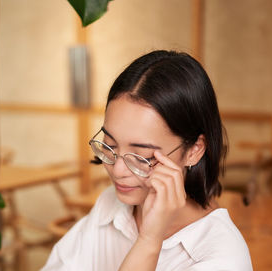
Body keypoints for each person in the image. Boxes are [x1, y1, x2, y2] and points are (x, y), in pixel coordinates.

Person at [41, 50, 252, 270]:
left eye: (141, 157)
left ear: (194, 150)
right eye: (110, 145)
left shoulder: (223, 258)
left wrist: (150, 240)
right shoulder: (111, 204)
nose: (118, 170)